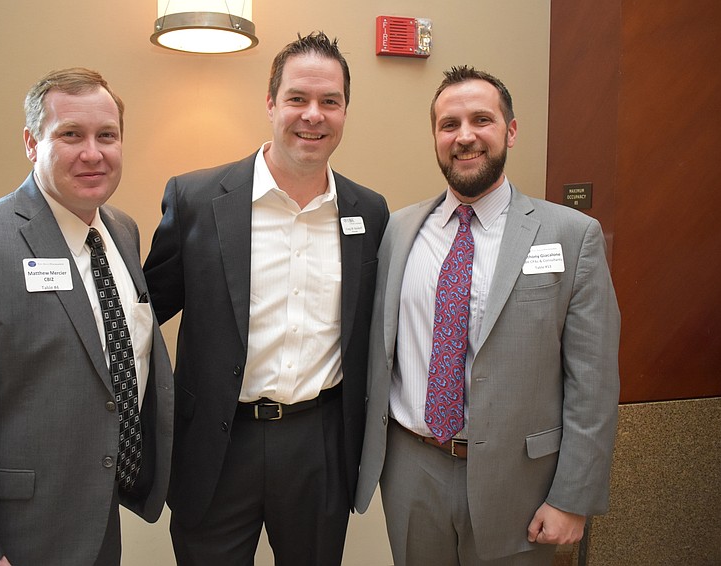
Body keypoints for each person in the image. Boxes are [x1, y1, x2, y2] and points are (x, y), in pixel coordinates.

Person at [0, 67, 174, 566]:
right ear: (31, 142)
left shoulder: (122, 232)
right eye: (70, 135)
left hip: (98, 526)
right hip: (14, 541)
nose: (92, 153)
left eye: (106, 136)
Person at [355, 65, 620, 565]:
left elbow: (594, 380)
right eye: (449, 124)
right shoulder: (397, 231)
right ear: (436, 138)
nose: (465, 136)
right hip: (413, 470)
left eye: (482, 120)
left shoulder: (571, 235)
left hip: (521, 482)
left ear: (510, 131)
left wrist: (572, 497)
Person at [143, 32, 389, 566]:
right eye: (298, 98)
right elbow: (143, 313)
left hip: (318, 444)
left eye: (330, 101)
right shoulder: (196, 199)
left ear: (345, 111)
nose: (313, 115)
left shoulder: (368, 213)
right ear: (271, 103)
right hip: (217, 444)